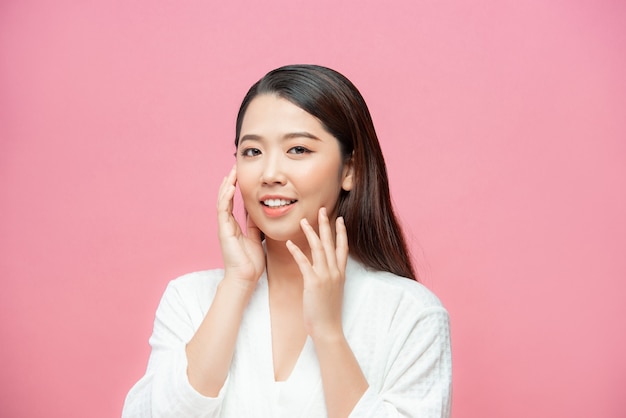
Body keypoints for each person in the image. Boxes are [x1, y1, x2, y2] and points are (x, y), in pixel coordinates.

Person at [122, 64, 452, 418]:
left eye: (297, 150)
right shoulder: (189, 301)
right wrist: (236, 285)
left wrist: (328, 334)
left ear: (350, 170)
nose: (270, 174)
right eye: (252, 152)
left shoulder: (410, 315)